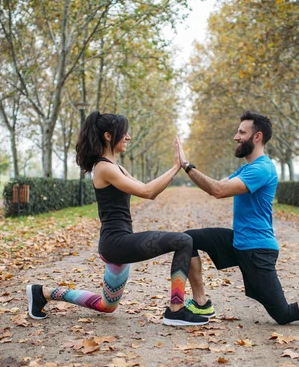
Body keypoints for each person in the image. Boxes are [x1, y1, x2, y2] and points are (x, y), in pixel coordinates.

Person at [178, 110, 299, 326]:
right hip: (239, 241)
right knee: (188, 239)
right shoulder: (247, 169)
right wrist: (186, 169)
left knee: (283, 314)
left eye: (241, 132)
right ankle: (201, 302)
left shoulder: (262, 169)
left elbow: (218, 190)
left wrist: (187, 165)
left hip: (257, 249)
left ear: (257, 136)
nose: (236, 137)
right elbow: (216, 185)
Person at [26, 111, 209, 326]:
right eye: (124, 133)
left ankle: (42, 293)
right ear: (108, 136)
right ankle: (176, 310)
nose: (129, 137)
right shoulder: (104, 168)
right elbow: (147, 192)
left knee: (107, 305)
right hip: (116, 243)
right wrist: (176, 166)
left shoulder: (117, 168)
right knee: (184, 240)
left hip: (118, 243)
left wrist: (177, 166)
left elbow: (149, 188)